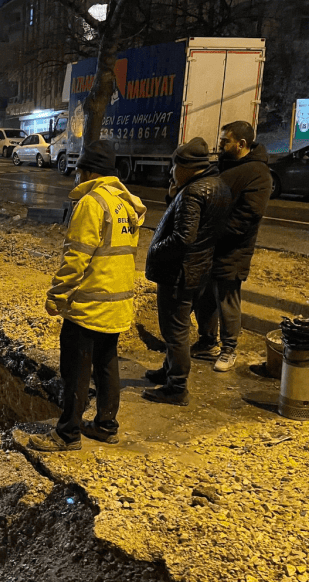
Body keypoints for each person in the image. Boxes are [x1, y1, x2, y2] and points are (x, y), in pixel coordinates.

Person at [27, 139, 146, 452]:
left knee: (76, 371)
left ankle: (67, 434)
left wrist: (57, 296)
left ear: (89, 171)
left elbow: (76, 259)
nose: (76, 175)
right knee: (107, 364)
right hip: (117, 302)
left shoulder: (92, 204)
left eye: (79, 169)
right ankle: (106, 425)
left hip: (90, 304)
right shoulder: (126, 203)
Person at [143, 137, 231, 406]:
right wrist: (174, 194)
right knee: (178, 328)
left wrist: (155, 251)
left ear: (187, 167)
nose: (172, 171)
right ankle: (169, 370)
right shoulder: (218, 186)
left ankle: (176, 387)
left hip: (179, 273)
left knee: (175, 331)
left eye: (175, 166)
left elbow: (183, 237)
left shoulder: (193, 193)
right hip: (200, 270)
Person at [191, 121, 273, 372]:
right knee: (203, 297)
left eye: (225, 141)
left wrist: (213, 234)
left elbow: (247, 216)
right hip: (210, 246)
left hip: (233, 249)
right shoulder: (225, 166)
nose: (220, 145)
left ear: (241, 144)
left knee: (226, 299)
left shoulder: (259, 174)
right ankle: (207, 342)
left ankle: (228, 349)